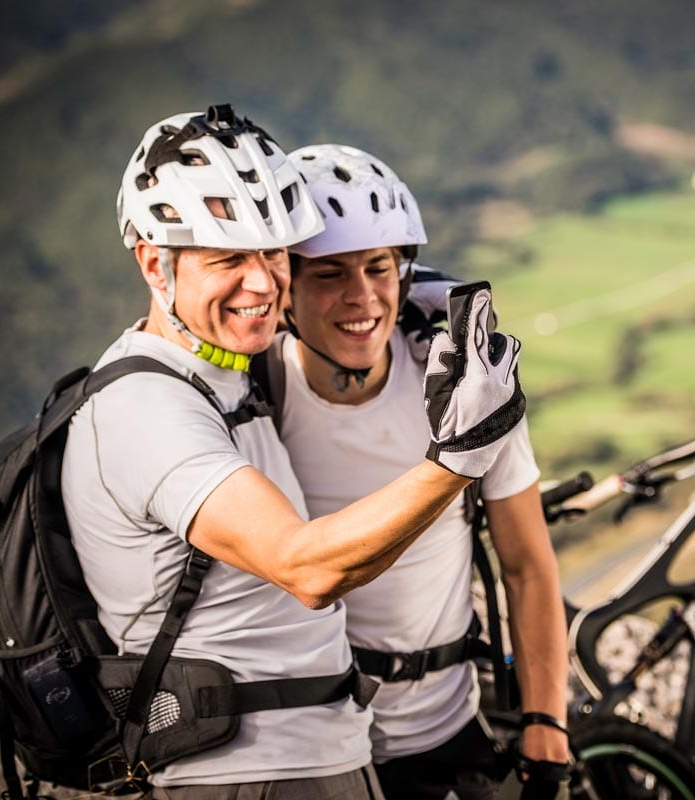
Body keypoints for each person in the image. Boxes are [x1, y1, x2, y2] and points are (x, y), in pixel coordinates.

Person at [58, 105, 526, 800]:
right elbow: (306, 568)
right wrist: (457, 460)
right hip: (251, 774)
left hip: (315, 757)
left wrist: (391, 301)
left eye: (273, 252)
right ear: (155, 264)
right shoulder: (147, 411)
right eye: (228, 257)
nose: (262, 282)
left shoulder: (225, 378)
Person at [256, 142, 569, 799]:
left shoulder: (463, 384)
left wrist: (546, 721)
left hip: (445, 729)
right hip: (311, 747)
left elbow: (527, 562)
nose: (362, 297)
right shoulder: (256, 401)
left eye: (378, 268)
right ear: (285, 289)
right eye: (329, 273)